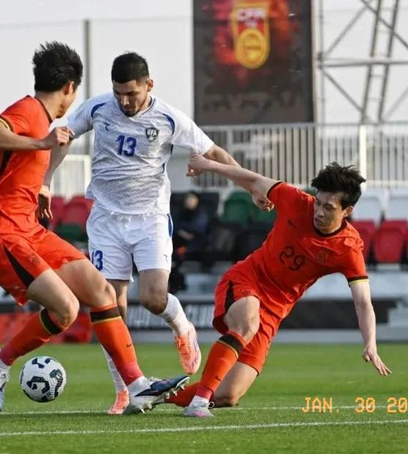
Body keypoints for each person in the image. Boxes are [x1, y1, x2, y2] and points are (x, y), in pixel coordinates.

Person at [0, 41, 188, 415]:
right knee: (67, 309)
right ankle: (1, 361)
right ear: (70, 87)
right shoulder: (29, 111)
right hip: (1, 233)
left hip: (29, 230)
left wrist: (42, 183)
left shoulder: (42, 120)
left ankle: (136, 385)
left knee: (100, 290)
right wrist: (40, 142)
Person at [40, 52, 240, 414]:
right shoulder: (98, 108)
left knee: (152, 298)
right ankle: (125, 389)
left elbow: (213, 150)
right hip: (106, 220)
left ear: (149, 85)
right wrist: (45, 181)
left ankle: (182, 327)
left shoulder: (168, 117)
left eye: (131, 94)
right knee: (109, 306)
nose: (125, 101)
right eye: (119, 93)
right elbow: (63, 135)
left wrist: (251, 186)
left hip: (150, 219)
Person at [168, 156, 391, 418]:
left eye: (329, 207)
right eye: (318, 202)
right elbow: (253, 179)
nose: (319, 212)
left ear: (347, 211)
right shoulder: (295, 200)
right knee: (247, 323)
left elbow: (363, 302)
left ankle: (161, 394)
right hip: (247, 279)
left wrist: (370, 343)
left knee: (229, 394)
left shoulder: (348, 248)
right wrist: (209, 165)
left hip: (274, 310)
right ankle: (199, 403)